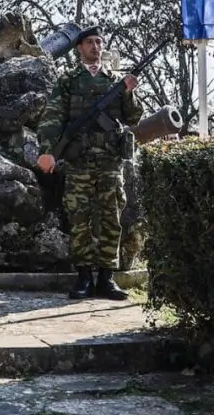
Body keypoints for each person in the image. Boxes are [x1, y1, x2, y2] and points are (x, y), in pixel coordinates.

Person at [36, 25, 142, 302]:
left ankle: (107, 278)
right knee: (79, 218)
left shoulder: (116, 81)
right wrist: (47, 151)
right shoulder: (69, 80)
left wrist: (129, 93)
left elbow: (133, 117)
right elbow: (52, 117)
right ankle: (84, 277)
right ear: (79, 48)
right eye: (90, 42)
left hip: (110, 161)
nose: (96, 47)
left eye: (99, 42)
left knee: (111, 217)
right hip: (79, 161)